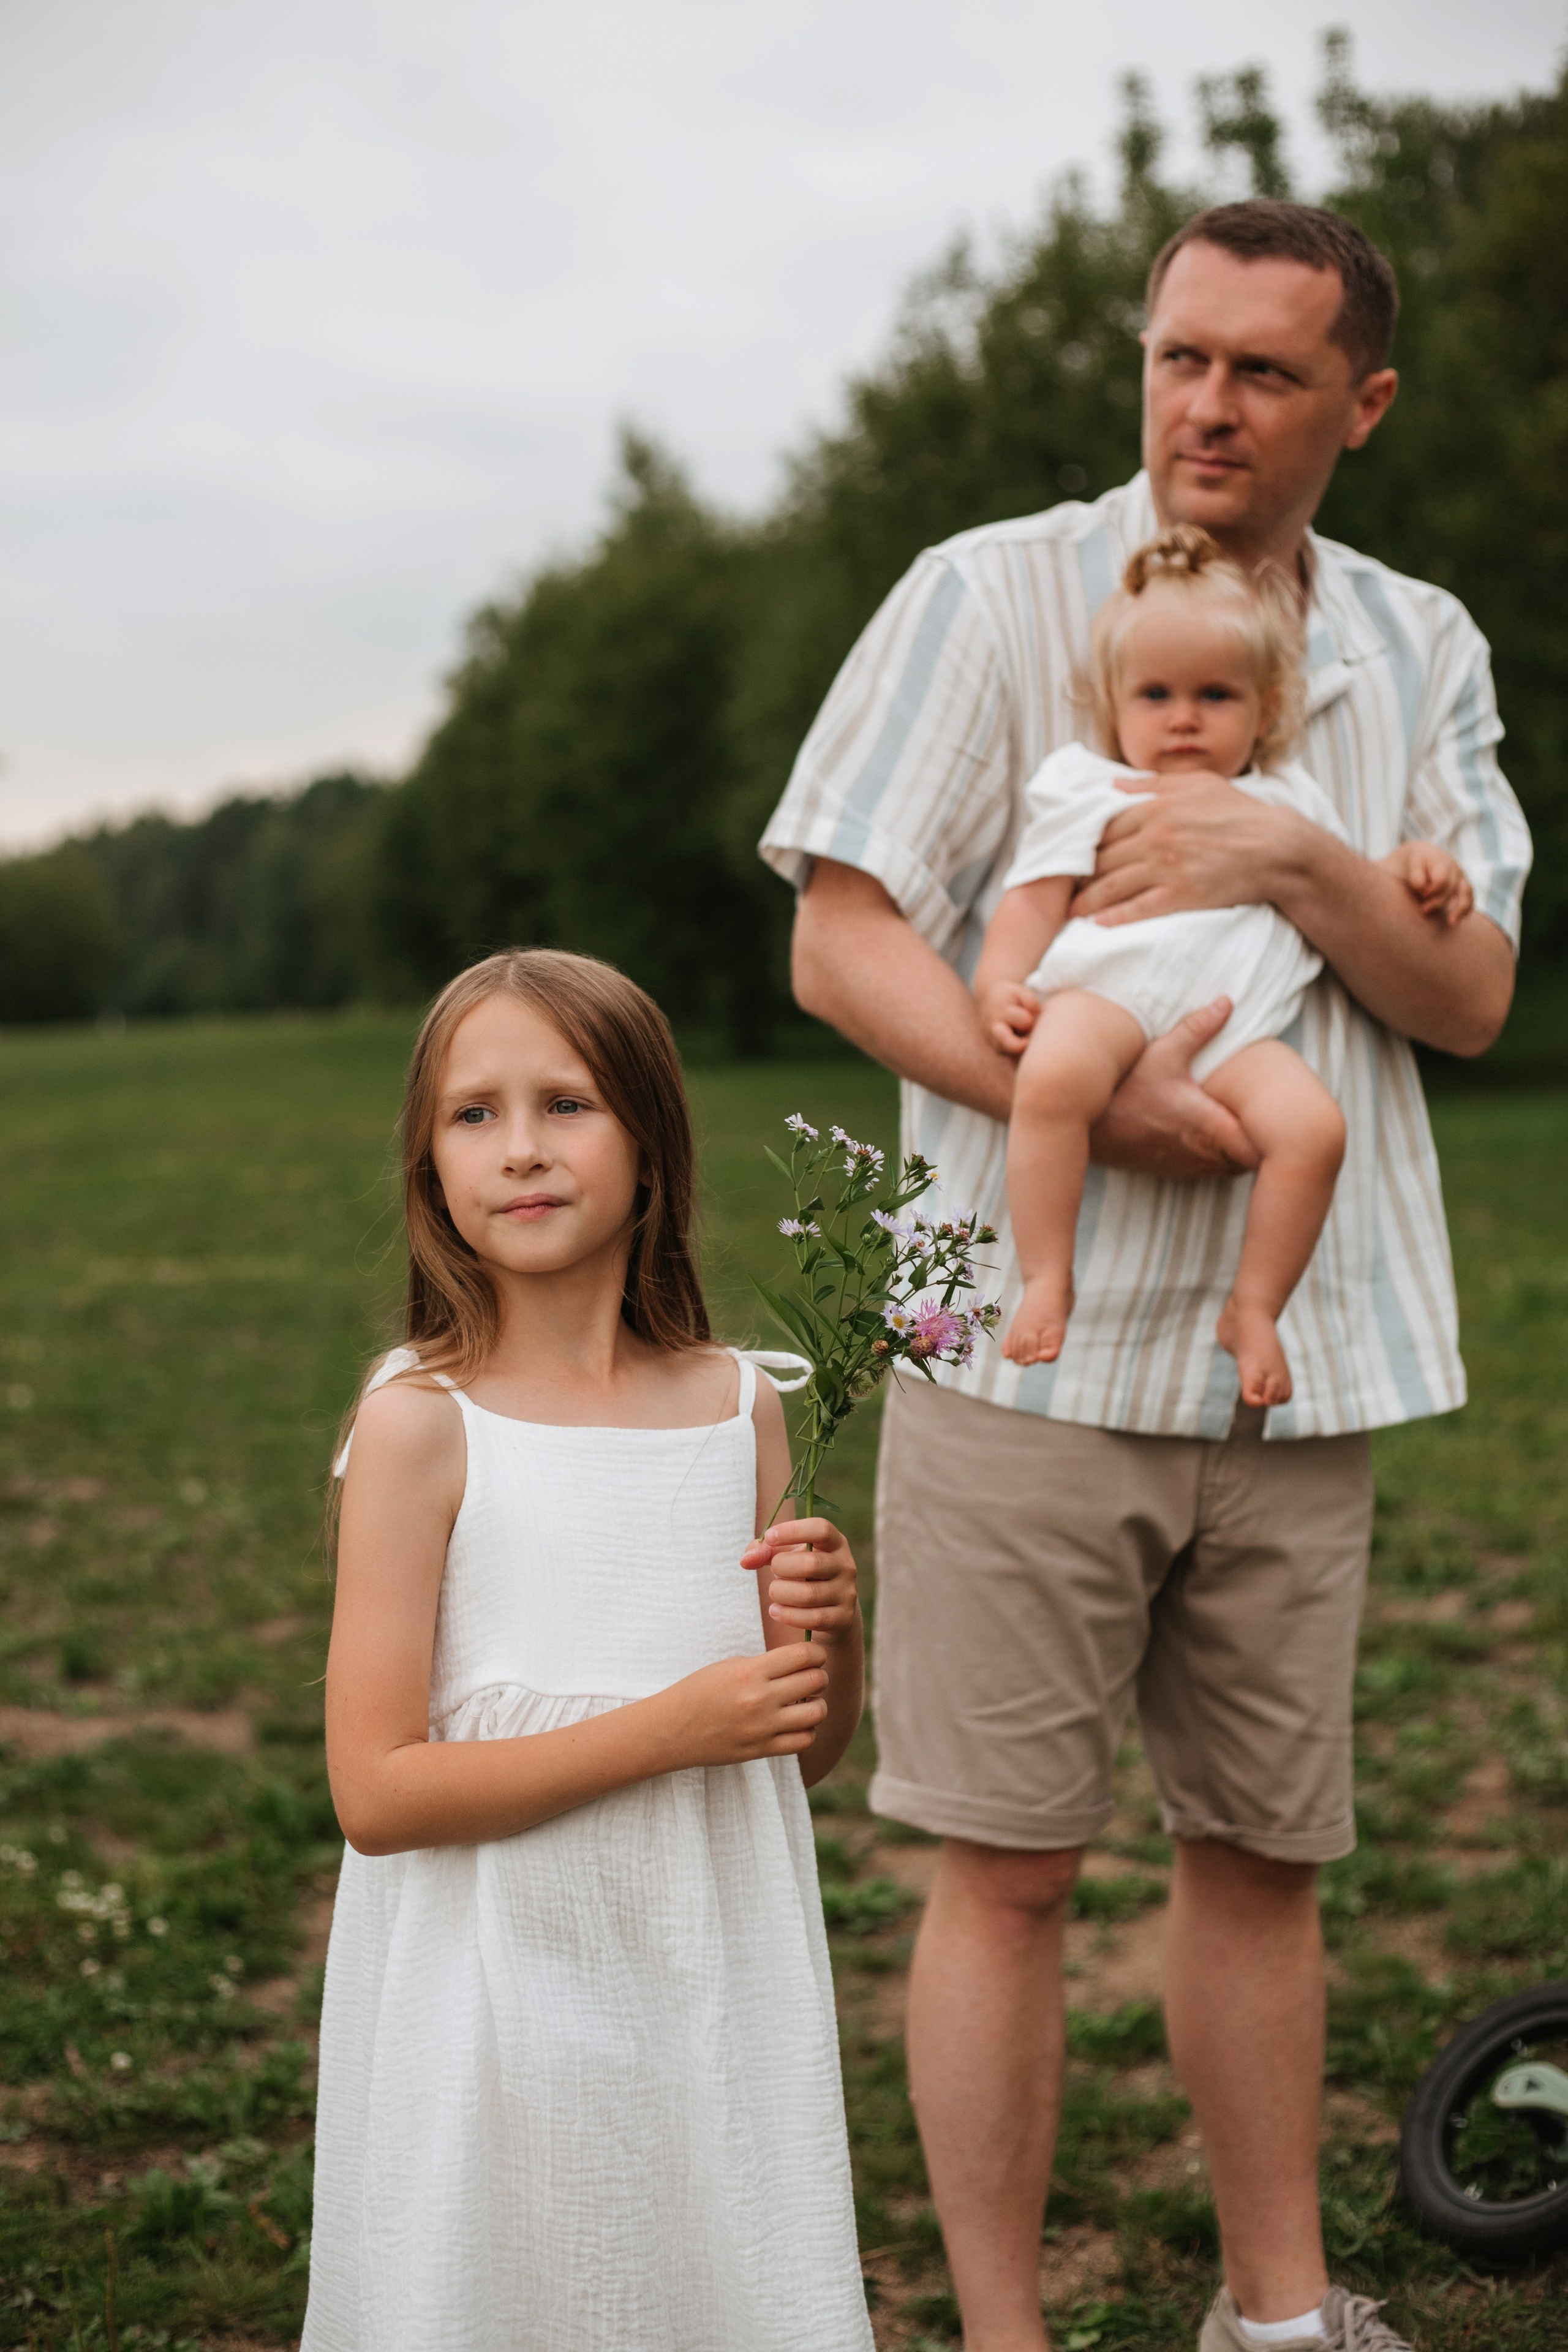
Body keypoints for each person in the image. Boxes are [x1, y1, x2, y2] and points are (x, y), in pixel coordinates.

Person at [761, 200, 1531, 2352]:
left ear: (1359, 407)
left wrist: (1290, 853)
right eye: (1181, 355)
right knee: (1006, 1867)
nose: (1208, 404)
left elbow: (1469, 999)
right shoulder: (989, 594)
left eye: (1266, 372)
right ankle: (1006, 2339)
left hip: (1303, 1367)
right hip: (1035, 1355)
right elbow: (842, 934)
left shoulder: (1421, 646)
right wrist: (1078, 1101)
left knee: (1263, 1859)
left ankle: (1277, 2316)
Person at [301, 948, 873, 2352]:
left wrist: (831, 1636)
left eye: (565, 1104)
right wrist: (670, 1728)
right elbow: (374, 1795)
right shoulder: (421, 1422)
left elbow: (795, 1761)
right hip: (496, 1992)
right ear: (429, 1165)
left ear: (650, 1142)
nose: (520, 1151)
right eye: (472, 1115)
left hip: (705, 1974)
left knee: (698, 2272)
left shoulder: (741, 1406)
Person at [978, 522, 1472, 1401]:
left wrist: (1412, 869)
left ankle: (1254, 1308)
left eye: (1216, 695)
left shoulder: (1286, 797)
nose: (1183, 718)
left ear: (1266, 708)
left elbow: (1346, 872)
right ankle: (1047, 1274)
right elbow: (1033, 894)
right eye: (1156, 694)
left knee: (1314, 1130)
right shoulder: (1088, 785)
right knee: (1052, 1078)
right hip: (1109, 993)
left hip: (1238, 1020)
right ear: (1113, 705)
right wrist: (997, 982)